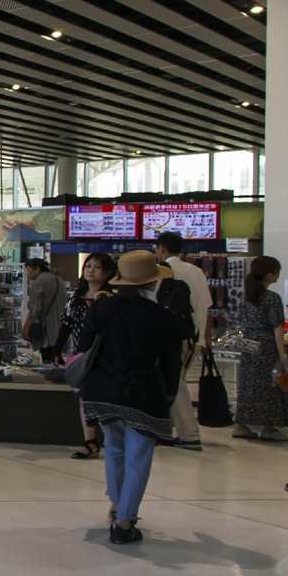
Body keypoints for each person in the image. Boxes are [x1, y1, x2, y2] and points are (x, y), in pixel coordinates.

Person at [75, 248, 184, 543]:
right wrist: (169, 394)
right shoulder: (162, 317)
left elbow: (84, 347)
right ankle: (124, 523)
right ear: (152, 282)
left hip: (102, 391)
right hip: (142, 392)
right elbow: (171, 363)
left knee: (113, 447)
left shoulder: (100, 308)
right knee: (139, 455)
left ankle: (117, 504)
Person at [154, 231, 211, 451]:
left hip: (170, 337)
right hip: (192, 336)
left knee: (174, 383)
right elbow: (206, 306)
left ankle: (189, 435)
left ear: (161, 249)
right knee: (174, 382)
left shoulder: (162, 270)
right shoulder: (197, 271)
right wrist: (205, 339)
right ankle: (165, 429)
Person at [62, 252, 115, 460]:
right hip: (82, 355)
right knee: (84, 397)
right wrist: (58, 348)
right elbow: (66, 323)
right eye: (88, 266)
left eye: (97, 267)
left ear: (108, 272)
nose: (91, 270)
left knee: (106, 397)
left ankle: (111, 439)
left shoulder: (111, 298)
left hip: (106, 355)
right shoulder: (76, 297)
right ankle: (90, 441)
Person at [233, 255, 288, 439]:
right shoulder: (272, 298)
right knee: (269, 386)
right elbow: (277, 326)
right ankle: (269, 427)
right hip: (266, 348)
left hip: (248, 346)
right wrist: (282, 353)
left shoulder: (246, 297)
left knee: (247, 385)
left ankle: (241, 424)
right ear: (269, 274)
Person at [23, 257, 67, 362]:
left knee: (47, 359)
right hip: (61, 328)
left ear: (37, 269)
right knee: (57, 358)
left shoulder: (38, 282)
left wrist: (26, 327)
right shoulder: (59, 280)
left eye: (28, 271)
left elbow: (35, 309)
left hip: (46, 329)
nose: (27, 275)